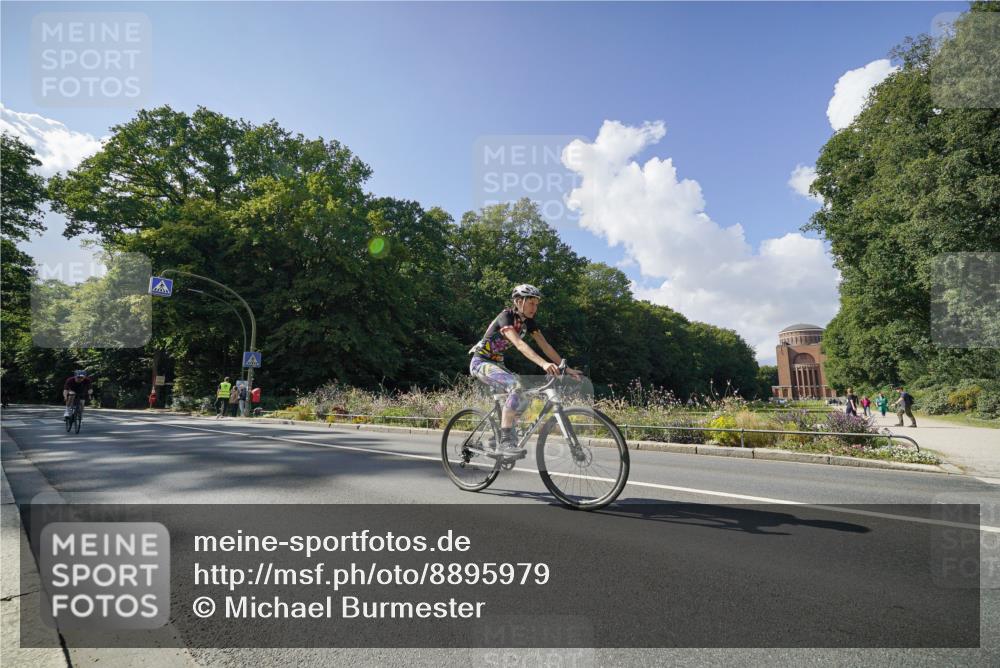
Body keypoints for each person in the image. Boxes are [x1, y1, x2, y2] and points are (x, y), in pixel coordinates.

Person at [468, 284, 581, 458]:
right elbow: (520, 345)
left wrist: (567, 369)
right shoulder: (506, 317)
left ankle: (496, 437)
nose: (535, 308)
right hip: (481, 362)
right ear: (519, 302)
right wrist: (544, 364)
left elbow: (546, 346)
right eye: (531, 303)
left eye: (537, 304)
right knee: (515, 386)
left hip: (498, 364)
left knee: (524, 397)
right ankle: (505, 442)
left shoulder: (528, 323)